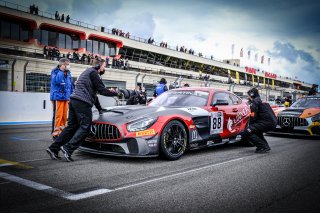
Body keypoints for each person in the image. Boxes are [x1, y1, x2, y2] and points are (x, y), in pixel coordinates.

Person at [47, 58, 119, 161]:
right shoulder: (94, 73)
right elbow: (102, 90)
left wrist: (100, 109)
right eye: (104, 66)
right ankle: (68, 148)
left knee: (71, 127)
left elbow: (94, 95)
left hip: (73, 100)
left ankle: (53, 148)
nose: (105, 68)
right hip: (82, 102)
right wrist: (116, 93)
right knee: (86, 127)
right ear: (99, 66)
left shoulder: (87, 72)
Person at [241, 88, 277, 153]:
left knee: (247, 132)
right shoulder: (261, 100)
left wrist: (250, 126)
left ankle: (263, 146)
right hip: (272, 122)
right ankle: (265, 146)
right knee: (257, 131)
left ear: (252, 95)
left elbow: (253, 115)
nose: (248, 97)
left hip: (266, 123)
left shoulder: (255, 102)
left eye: (249, 95)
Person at [50, 58, 73, 140]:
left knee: (64, 116)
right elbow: (57, 81)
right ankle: (55, 133)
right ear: (62, 65)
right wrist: (61, 71)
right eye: (67, 64)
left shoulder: (69, 73)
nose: (68, 66)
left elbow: (71, 85)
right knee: (58, 115)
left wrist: (71, 95)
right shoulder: (55, 72)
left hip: (66, 97)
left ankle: (62, 133)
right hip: (57, 97)